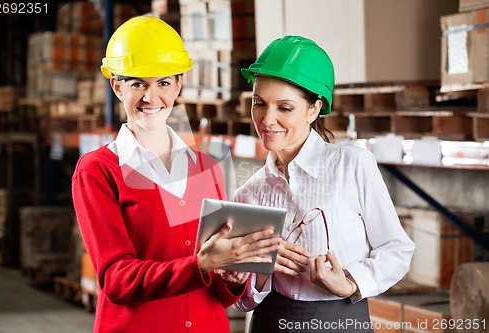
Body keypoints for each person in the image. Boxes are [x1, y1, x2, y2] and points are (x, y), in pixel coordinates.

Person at [71, 16, 281, 333]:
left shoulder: (204, 167)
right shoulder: (100, 170)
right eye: (137, 83)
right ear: (116, 86)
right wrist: (201, 265)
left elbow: (216, 293)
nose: (151, 98)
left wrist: (232, 277)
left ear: (179, 84)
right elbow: (117, 279)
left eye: (164, 83)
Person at [231, 36, 415, 332]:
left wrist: (349, 281)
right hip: (271, 322)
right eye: (259, 103)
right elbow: (242, 301)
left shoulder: (352, 165)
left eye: (285, 107)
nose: (267, 118)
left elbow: (397, 249)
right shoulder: (249, 193)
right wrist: (260, 269)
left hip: (340, 320)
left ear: (314, 109)